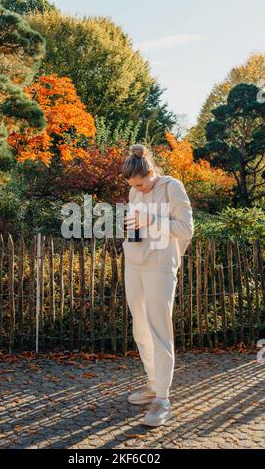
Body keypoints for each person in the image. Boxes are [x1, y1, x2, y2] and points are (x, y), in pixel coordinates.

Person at [121, 143, 194, 427]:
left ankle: (162, 398)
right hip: (134, 262)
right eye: (133, 186)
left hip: (161, 264)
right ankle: (153, 383)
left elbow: (185, 229)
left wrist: (150, 219)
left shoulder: (172, 187)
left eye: (141, 184)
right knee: (140, 326)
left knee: (159, 329)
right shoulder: (133, 191)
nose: (137, 190)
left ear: (151, 172)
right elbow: (137, 221)